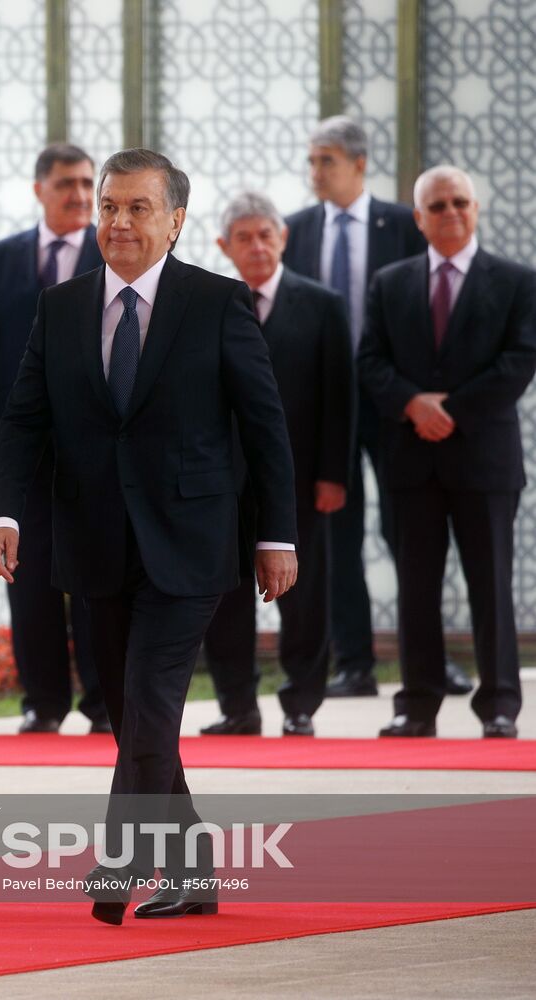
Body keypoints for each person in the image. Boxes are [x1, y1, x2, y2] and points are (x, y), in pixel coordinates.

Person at [0, 149, 296, 924]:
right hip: (93, 542)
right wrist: (2, 514)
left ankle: (119, 865)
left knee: (152, 702)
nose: (119, 222)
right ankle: (194, 873)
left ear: (177, 221)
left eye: (138, 208)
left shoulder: (219, 303)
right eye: (109, 207)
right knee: (132, 716)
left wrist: (277, 535)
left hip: (191, 542)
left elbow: (265, 429)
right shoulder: (60, 307)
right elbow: (23, 421)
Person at [281, 116, 460, 698]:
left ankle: (429, 663)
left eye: (325, 160)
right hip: (323, 407)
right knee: (335, 536)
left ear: (359, 164)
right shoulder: (295, 230)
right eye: (311, 160)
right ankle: (354, 663)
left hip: (392, 402)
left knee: (410, 532)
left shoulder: (403, 227)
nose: (315, 172)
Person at [358, 165, 536, 740]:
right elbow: (370, 362)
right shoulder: (390, 282)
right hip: (411, 463)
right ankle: (416, 704)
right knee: (416, 589)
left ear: (476, 208)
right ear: (419, 218)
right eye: (438, 206)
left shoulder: (515, 281)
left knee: (492, 585)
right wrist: (413, 404)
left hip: (484, 461)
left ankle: (501, 704)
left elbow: (518, 362)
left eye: (461, 201)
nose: (451, 212)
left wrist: (449, 409)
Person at [0, 143, 109, 735]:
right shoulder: (1, 258)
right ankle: (42, 702)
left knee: (99, 576)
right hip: (19, 451)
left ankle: (103, 702)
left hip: (97, 450)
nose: (79, 196)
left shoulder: (114, 248)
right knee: (25, 577)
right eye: (66, 184)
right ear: (38, 190)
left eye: (85, 184)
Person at [200, 193, 353, 737]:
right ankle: (238, 705)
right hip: (221, 482)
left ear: (283, 238)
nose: (257, 246)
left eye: (266, 234)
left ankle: (301, 705)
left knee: (304, 595)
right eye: (244, 237)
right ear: (224, 246)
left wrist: (335, 475)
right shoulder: (207, 304)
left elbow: (341, 398)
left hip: (303, 481)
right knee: (225, 596)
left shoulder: (323, 304)